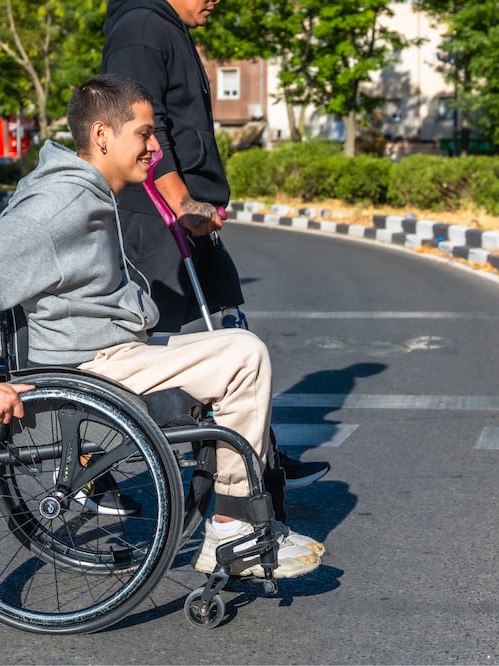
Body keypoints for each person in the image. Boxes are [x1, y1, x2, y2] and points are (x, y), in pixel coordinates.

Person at [0, 73, 323, 578]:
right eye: (144, 133)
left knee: (235, 343)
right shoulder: (62, 205)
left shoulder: (86, 194)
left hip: (105, 348)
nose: (156, 147)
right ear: (102, 135)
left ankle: (235, 514)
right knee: (244, 356)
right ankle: (233, 528)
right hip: (91, 364)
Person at [101, 0, 329, 488]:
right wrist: (182, 201)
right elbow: (143, 131)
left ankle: (255, 457)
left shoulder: (170, 27)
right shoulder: (141, 28)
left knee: (224, 327)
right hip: (156, 215)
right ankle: (82, 462)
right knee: (143, 349)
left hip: (190, 216)